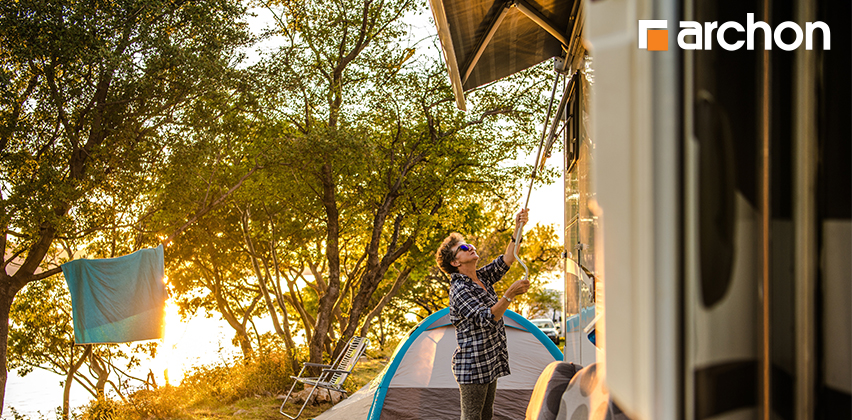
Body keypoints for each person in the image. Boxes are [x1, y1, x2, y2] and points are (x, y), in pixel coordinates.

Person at [435, 208, 531, 420]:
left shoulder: (481, 277)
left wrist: (518, 228)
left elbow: (507, 259)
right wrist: (509, 294)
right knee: (472, 417)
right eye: (463, 248)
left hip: (489, 361)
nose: (471, 248)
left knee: (486, 415)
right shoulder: (459, 289)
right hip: (472, 367)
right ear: (455, 262)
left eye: (469, 245)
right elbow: (487, 318)